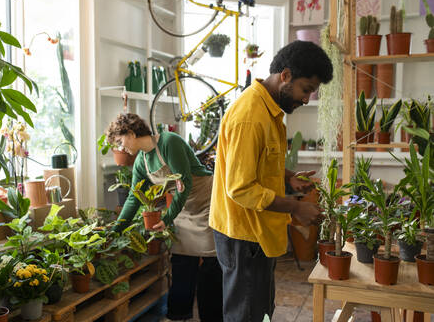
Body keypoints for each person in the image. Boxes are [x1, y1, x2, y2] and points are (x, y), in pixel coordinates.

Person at [209, 40, 333, 322]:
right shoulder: (251, 116)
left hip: (257, 233)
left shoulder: (270, 110)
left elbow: (258, 163)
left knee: (260, 311)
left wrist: (289, 177)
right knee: (246, 314)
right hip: (243, 234)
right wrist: (295, 207)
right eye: (306, 90)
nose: (306, 99)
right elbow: (241, 188)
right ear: (286, 76)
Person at [107, 113, 223, 322]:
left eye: (120, 141)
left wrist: (167, 218)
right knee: (180, 261)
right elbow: (134, 198)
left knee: (210, 267)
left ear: (132, 133)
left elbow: (184, 182)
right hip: (183, 207)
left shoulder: (169, 142)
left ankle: (212, 318)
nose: (120, 148)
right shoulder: (141, 162)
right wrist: (115, 230)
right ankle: (178, 316)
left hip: (207, 203)